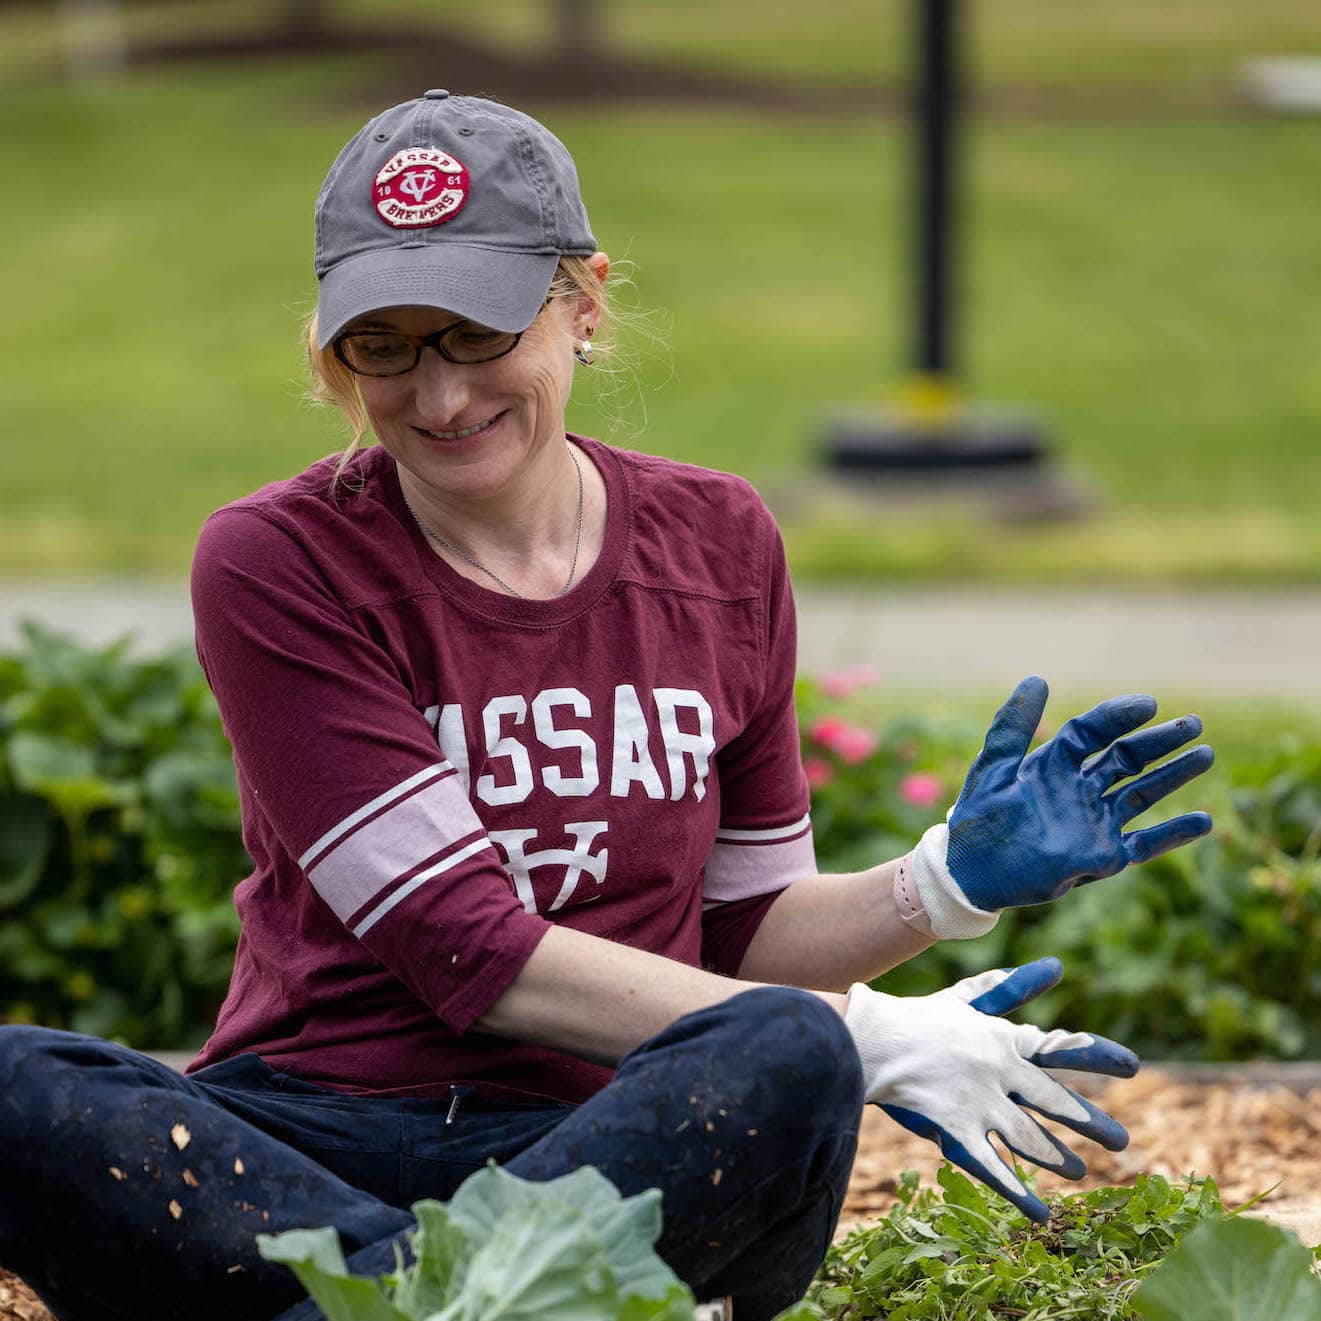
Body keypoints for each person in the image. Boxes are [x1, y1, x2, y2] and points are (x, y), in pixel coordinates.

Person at [0, 91, 1215, 1321]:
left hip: (628, 1151)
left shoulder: (722, 539)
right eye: (387, 345)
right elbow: (468, 947)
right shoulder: (279, 560)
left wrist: (942, 886)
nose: (437, 395)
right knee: (11, 1082)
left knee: (780, 1051)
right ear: (336, 354)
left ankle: (382, 1306)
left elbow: (741, 928)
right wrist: (873, 1039)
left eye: (476, 332)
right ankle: (520, 1304)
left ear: (581, 306)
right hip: (318, 1140)